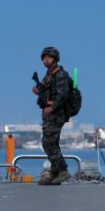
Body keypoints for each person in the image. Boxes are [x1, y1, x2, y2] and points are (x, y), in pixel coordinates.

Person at [33, 47, 72, 185]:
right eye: (44, 57)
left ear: (55, 59)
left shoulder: (60, 74)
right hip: (49, 113)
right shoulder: (49, 75)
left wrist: (52, 107)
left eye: (49, 57)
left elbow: (63, 94)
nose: (46, 60)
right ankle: (55, 172)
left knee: (48, 142)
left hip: (56, 113)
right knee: (51, 143)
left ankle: (63, 170)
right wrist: (38, 90)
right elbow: (45, 89)